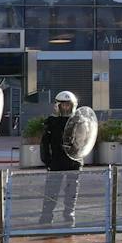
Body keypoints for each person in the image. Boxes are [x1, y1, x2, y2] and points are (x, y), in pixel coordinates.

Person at [38, 90, 84, 228]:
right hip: (56, 160)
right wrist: (47, 159)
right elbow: (44, 142)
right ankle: (46, 215)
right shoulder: (51, 121)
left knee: (71, 190)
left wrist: (79, 158)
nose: (65, 107)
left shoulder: (78, 120)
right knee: (51, 189)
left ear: (72, 105)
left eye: (68, 105)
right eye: (63, 105)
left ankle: (69, 213)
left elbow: (83, 140)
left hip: (73, 161)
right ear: (58, 106)